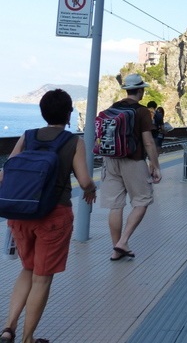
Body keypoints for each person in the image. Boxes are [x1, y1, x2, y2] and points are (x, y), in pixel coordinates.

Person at [0, 89, 96, 343]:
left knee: (27, 268)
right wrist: (91, 191)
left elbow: (5, 173)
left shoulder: (27, 136)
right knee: (41, 278)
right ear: (69, 113)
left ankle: (8, 328)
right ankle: (28, 339)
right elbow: (84, 180)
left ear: (43, 112)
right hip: (54, 216)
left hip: (21, 214)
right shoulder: (73, 142)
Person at [100, 74, 162, 262]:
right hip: (133, 161)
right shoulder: (142, 112)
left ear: (126, 90)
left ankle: (116, 249)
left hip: (110, 160)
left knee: (115, 205)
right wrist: (155, 165)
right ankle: (123, 241)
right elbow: (148, 142)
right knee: (142, 200)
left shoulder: (112, 108)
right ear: (141, 90)